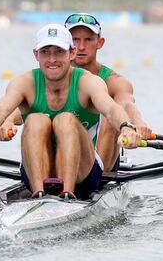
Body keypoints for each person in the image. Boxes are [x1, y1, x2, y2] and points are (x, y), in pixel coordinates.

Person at [0, 23, 141, 200]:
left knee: (65, 120)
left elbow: (112, 109)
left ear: (71, 53)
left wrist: (126, 127)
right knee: (35, 120)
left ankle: (67, 194)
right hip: (37, 175)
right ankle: (39, 194)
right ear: (36, 54)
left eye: (59, 52)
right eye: (45, 52)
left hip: (83, 174)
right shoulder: (24, 83)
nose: (52, 59)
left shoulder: (88, 82)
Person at [64, 12, 153, 172]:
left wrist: (138, 123)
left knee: (112, 114)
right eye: (75, 39)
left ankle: (97, 179)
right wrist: (7, 122)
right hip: (62, 160)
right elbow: (22, 105)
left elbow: (126, 103)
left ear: (100, 42)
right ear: (65, 43)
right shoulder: (51, 77)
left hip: (99, 166)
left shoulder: (114, 82)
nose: (81, 47)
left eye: (89, 39)